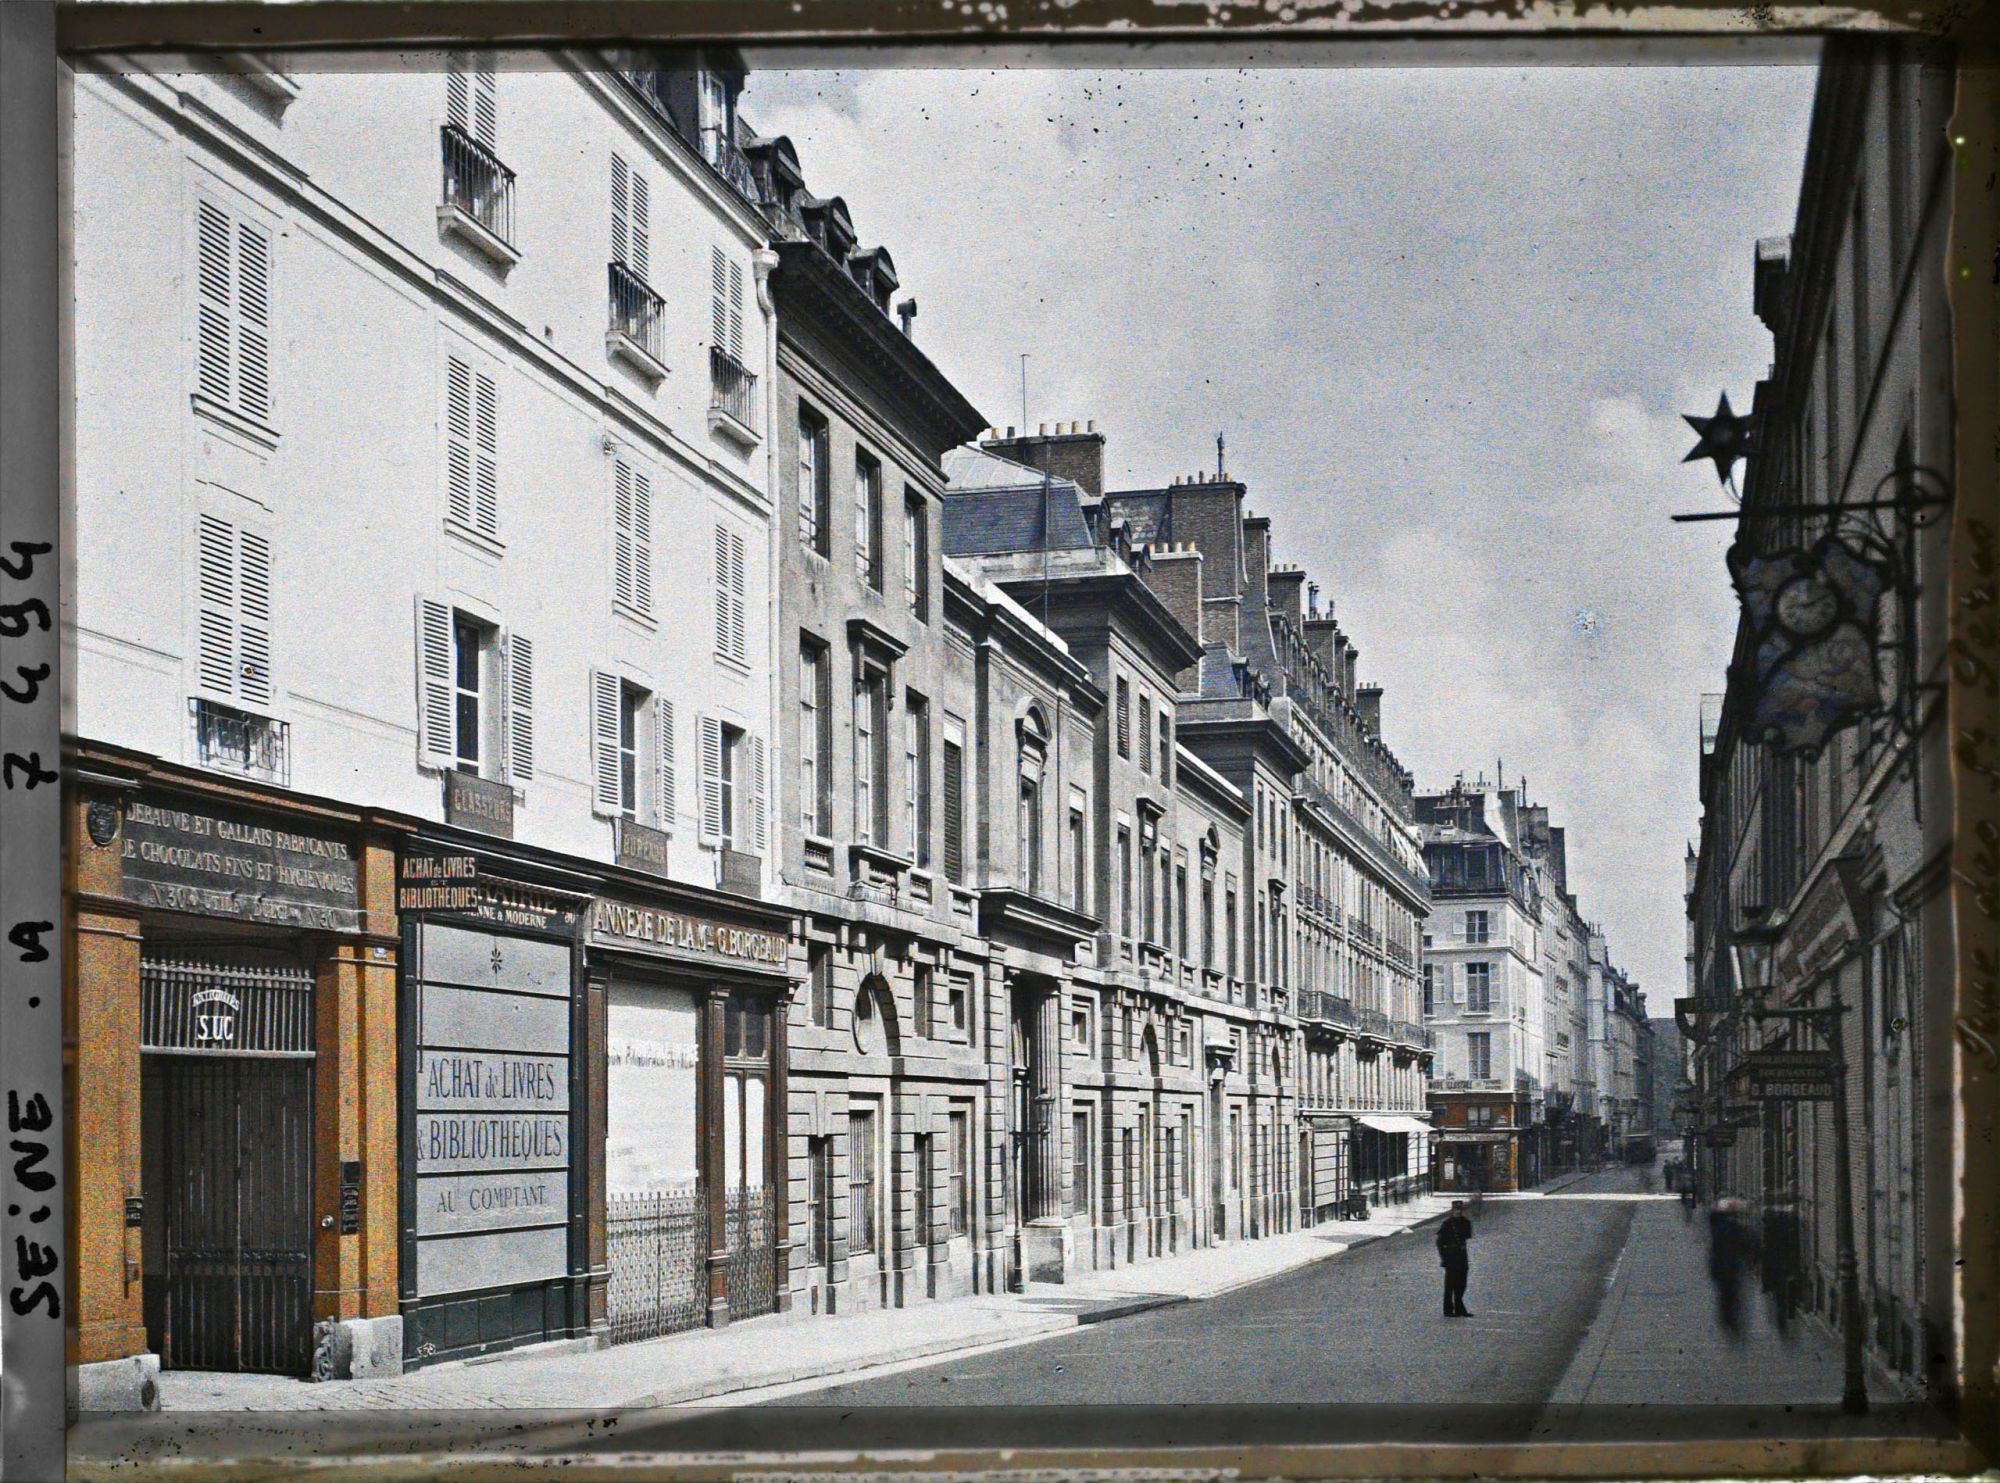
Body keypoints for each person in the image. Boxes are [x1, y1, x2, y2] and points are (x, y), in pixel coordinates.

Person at [1436, 1199, 1474, 1317]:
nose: (1458, 1212)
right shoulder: (1447, 1224)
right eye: (1456, 1210)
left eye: (1460, 1210)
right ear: (1452, 1211)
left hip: (1461, 1255)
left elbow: (1467, 1235)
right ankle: (1448, 1310)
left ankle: (1459, 1308)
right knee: (1450, 1285)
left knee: (1461, 1284)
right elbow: (1439, 1242)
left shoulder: (1466, 1222)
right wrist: (1444, 1257)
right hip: (1451, 1256)